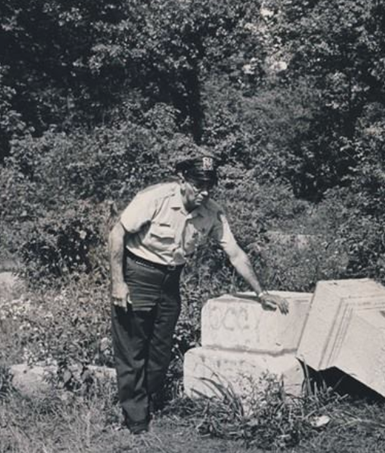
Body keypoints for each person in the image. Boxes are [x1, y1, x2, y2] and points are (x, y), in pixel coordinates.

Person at [109, 149, 288, 434]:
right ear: (182, 179)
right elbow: (117, 233)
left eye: (209, 185)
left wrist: (261, 293)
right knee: (132, 351)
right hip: (138, 274)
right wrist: (118, 283)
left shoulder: (212, 212)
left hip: (170, 282)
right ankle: (137, 422)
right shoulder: (155, 198)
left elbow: (235, 254)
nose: (204, 192)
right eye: (198, 184)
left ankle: (147, 402)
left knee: (160, 352)